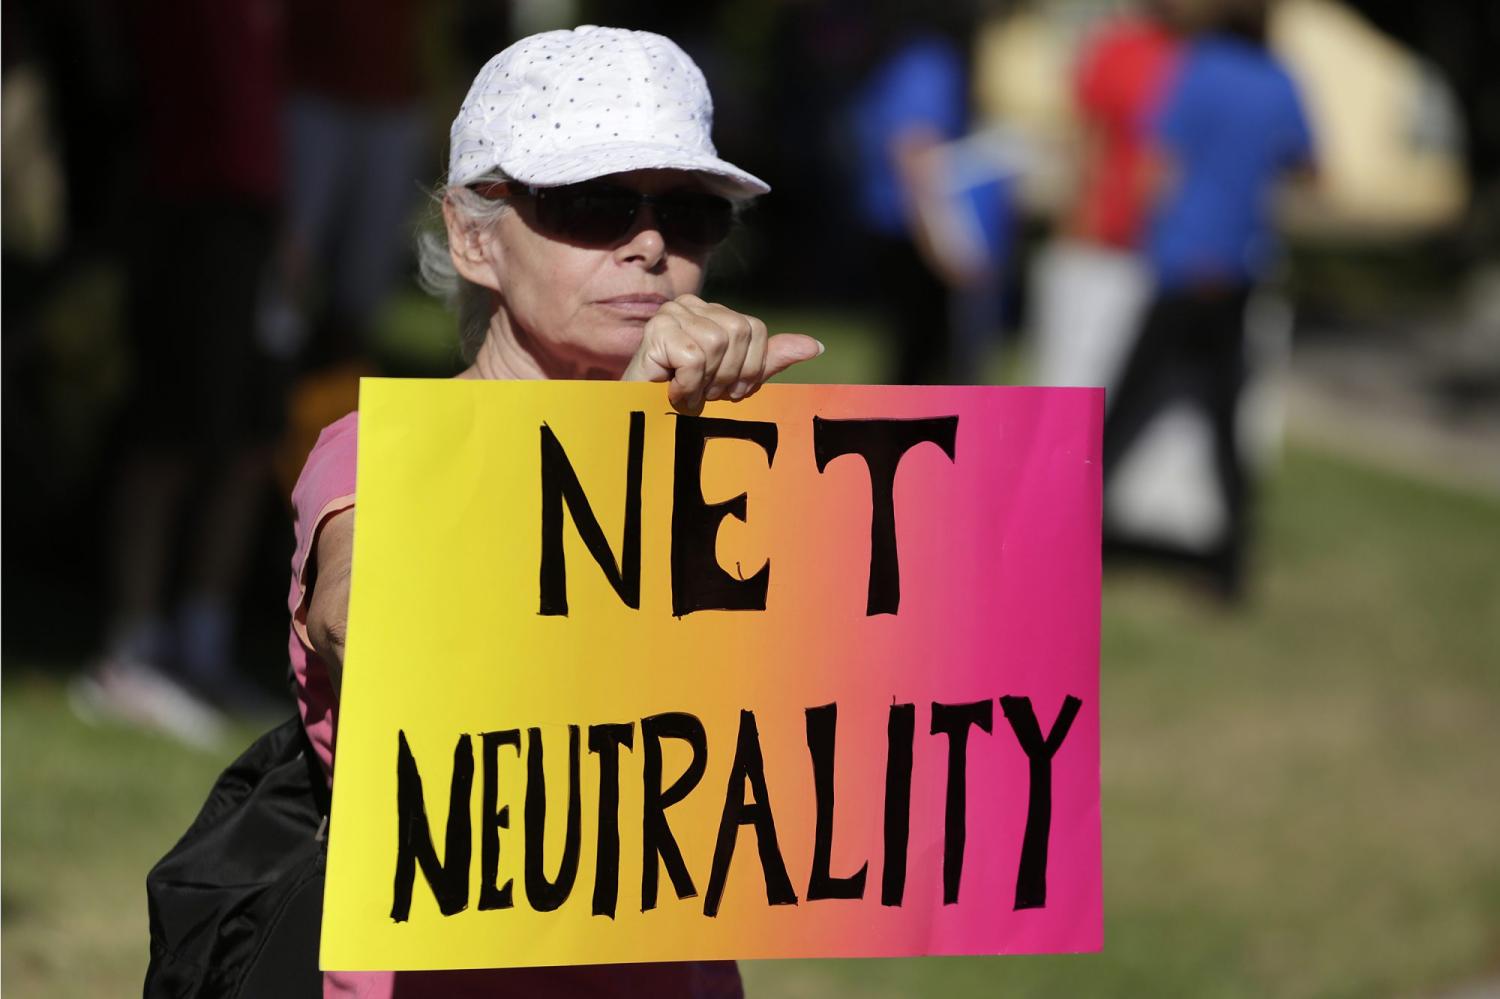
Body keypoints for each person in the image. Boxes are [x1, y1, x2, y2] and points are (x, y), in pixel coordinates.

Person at [289, 26, 823, 997]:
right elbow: (364, 628)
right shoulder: (376, 452)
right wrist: (615, 439)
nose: (652, 243)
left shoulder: (731, 463)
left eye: (691, 216)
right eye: (594, 205)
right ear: (473, 238)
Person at [1102, 0, 1316, 598]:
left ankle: (1074, 538)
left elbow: (1157, 161)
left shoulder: (1197, 67)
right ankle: (1230, 564)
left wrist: (1141, 233)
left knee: (1124, 411)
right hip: (1237, 270)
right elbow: (1310, 166)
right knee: (1225, 423)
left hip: (1178, 266)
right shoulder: (1281, 80)